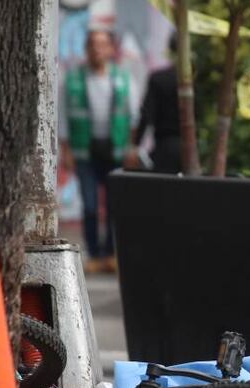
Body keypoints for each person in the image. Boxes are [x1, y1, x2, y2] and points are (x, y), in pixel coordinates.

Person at [59, 28, 139, 272]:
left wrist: (131, 147)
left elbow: (133, 116)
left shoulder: (124, 79)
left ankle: (111, 254)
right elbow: (63, 117)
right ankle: (93, 254)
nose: (97, 49)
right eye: (93, 45)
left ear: (110, 49)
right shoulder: (72, 80)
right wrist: (66, 150)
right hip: (85, 152)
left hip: (115, 151)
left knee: (116, 205)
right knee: (91, 206)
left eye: (102, 45)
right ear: (86, 49)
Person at [129, 34, 181, 174]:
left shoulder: (159, 79)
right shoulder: (200, 80)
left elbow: (147, 114)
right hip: (195, 148)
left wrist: (135, 145)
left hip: (165, 147)